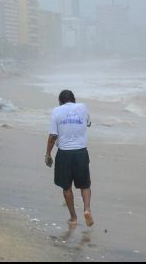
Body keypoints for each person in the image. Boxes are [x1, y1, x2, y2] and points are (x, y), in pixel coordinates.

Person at [45, 89, 93, 227]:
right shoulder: (83, 107)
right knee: (85, 185)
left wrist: (48, 154)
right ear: (74, 100)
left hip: (64, 154)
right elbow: (88, 123)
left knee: (66, 187)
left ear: (60, 102)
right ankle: (87, 209)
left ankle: (73, 218)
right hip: (81, 152)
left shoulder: (56, 111)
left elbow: (53, 136)